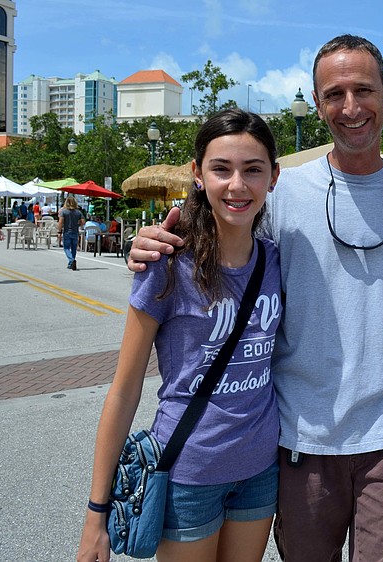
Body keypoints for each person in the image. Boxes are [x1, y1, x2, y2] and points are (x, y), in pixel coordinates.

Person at [128, 35, 383, 561]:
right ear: (316, 100)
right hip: (301, 437)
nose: (350, 108)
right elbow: (225, 242)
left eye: (363, 90)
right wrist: (154, 242)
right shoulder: (282, 194)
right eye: (334, 94)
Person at [77, 109, 283, 562]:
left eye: (253, 170)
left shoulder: (277, 261)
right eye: (221, 169)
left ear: (273, 176)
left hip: (259, 468)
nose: (237, 185)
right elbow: (124, 388)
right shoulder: (167, 264)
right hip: (188, 471)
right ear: (197, 174)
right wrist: (96, 511)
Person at [58, 196, 85, 270]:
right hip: (75, 232)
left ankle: (71, 260)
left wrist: (59, 231)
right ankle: (71, 264)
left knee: (66, 248)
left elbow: (60, 222)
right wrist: (78, 225)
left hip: (67, 232)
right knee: (74, 248)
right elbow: (83, 222)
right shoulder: (78, 212)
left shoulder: (64, 212)